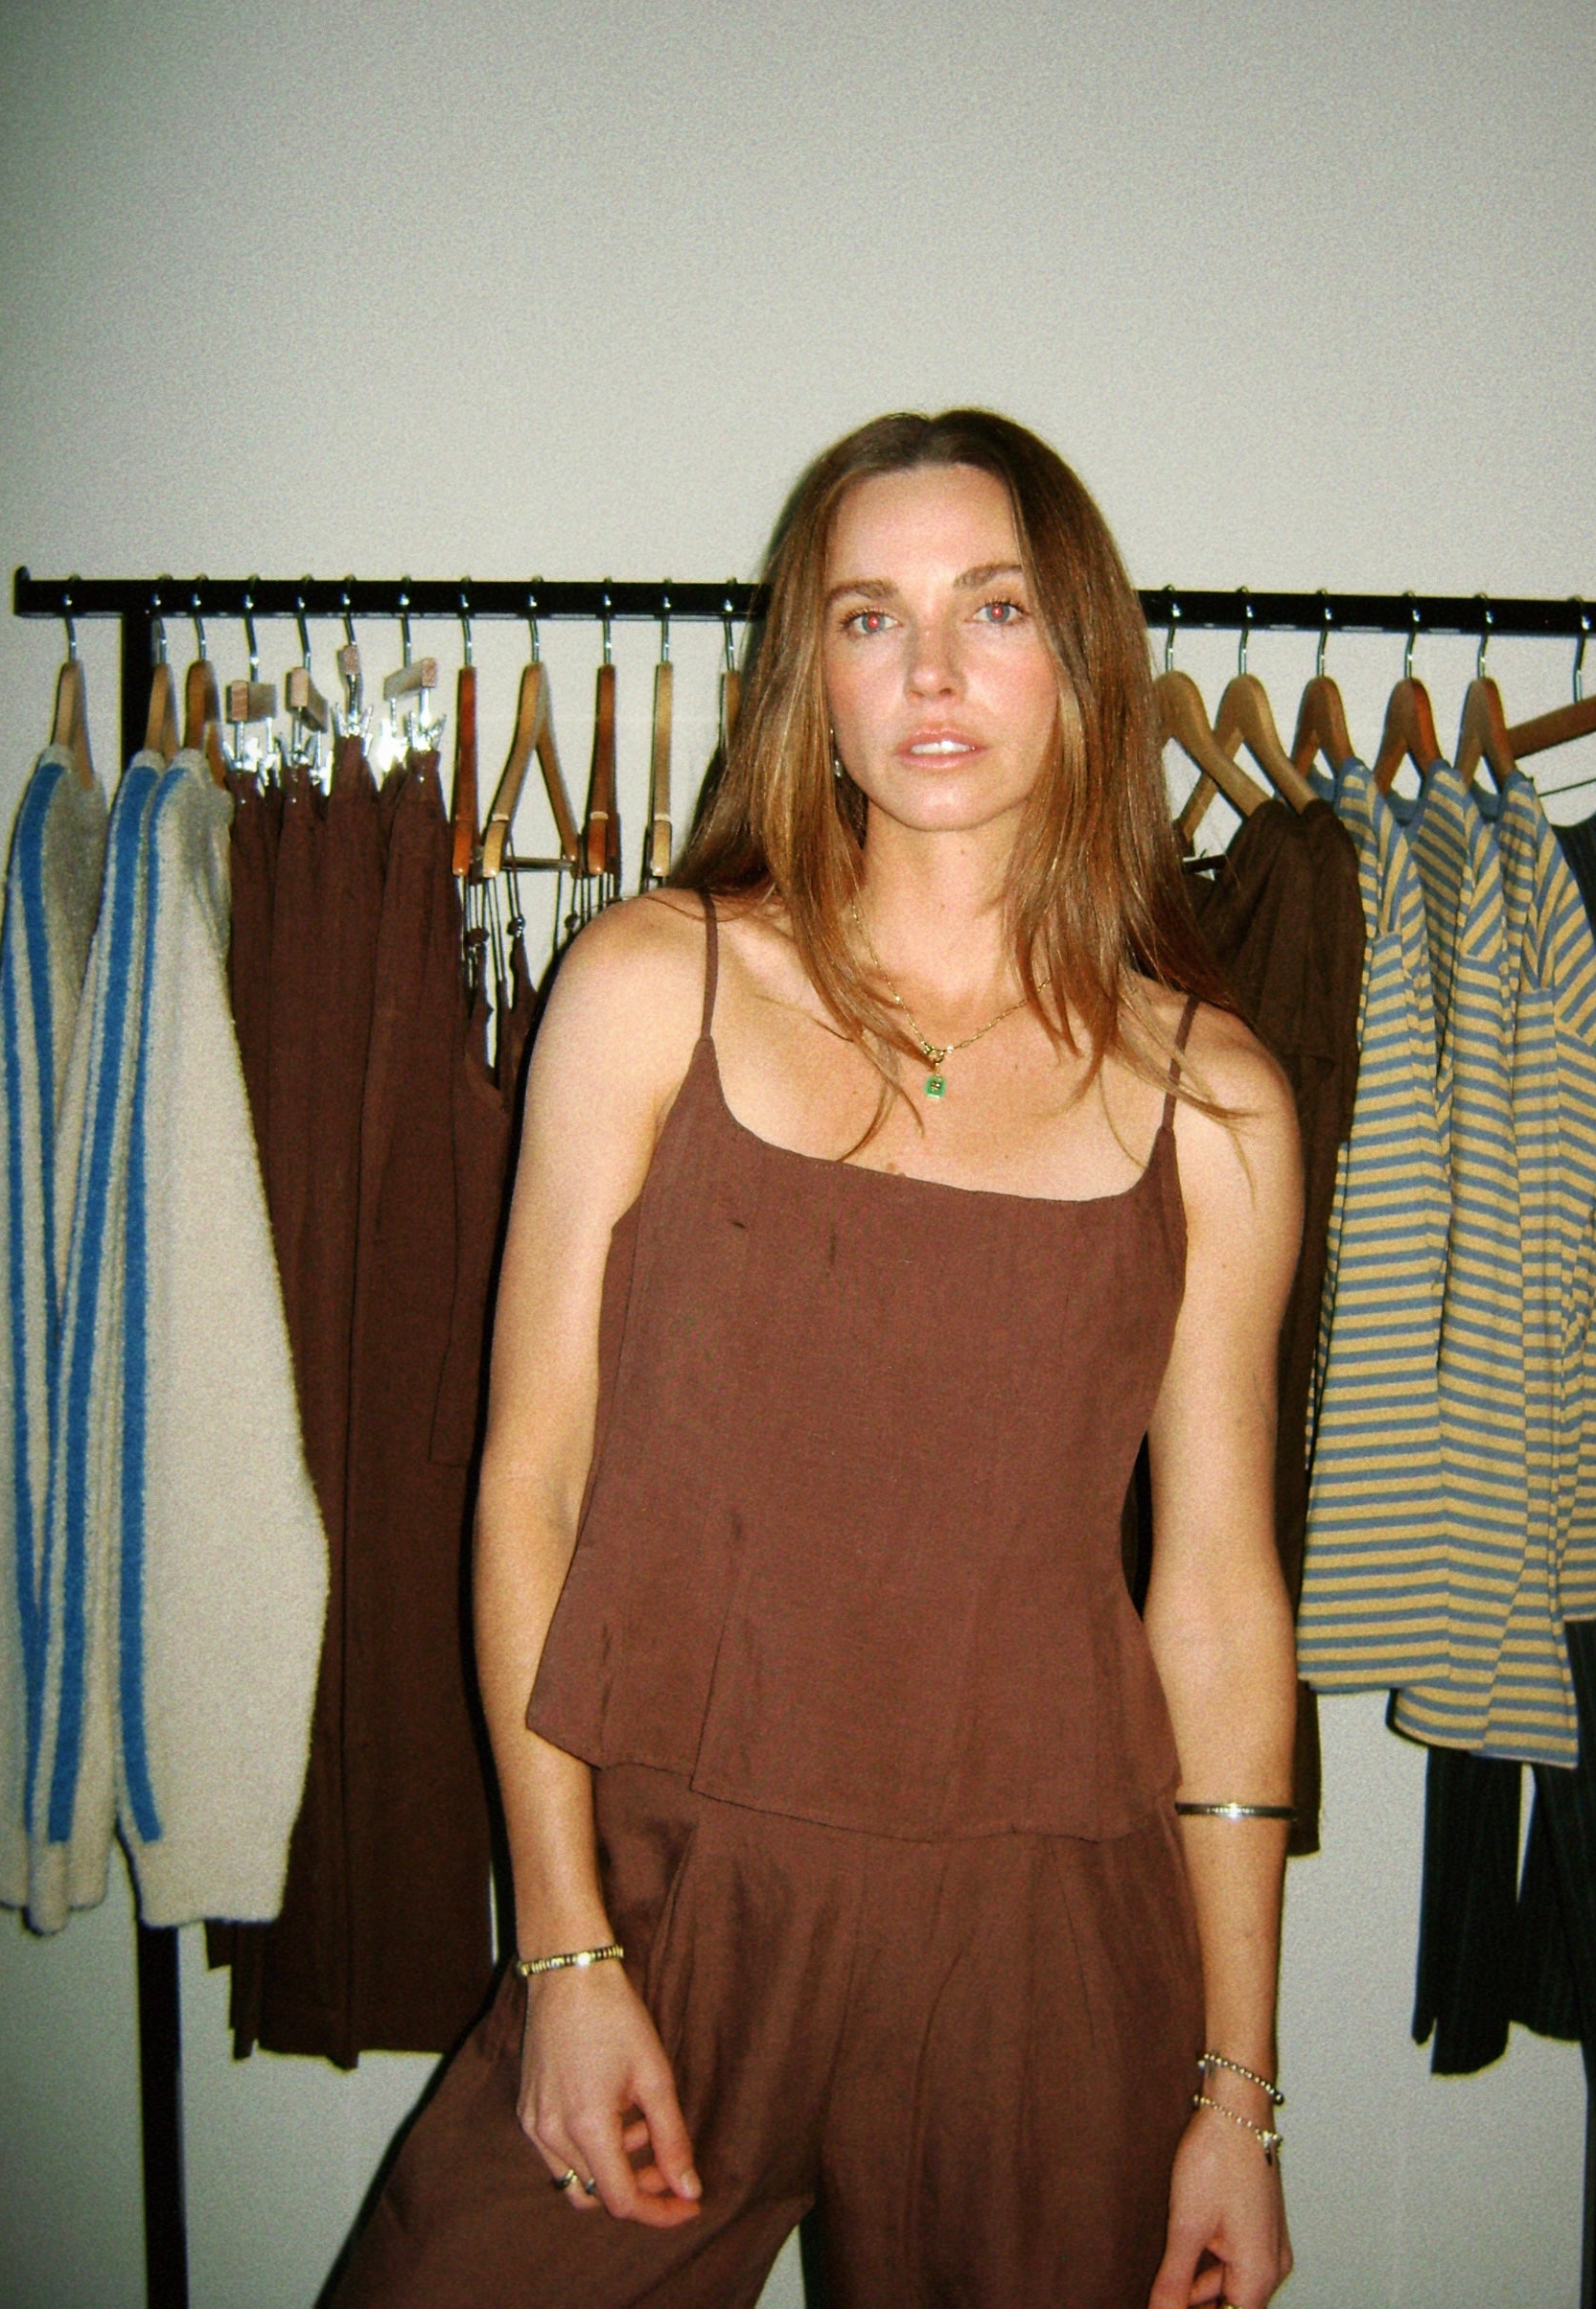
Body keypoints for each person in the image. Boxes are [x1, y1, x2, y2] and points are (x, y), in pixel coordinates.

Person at [334, 409, 1302, 2309]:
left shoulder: (1216, 1103)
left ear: (1080, 657)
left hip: (1043, 1941)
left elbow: (1214, 1600)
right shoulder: (649, 987)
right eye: (871, 618)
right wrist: (563, 1946)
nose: (932, 669)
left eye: (993, 608)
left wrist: (1239, 2092)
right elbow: (527, 1485)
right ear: (812, 678)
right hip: (678, 1897)